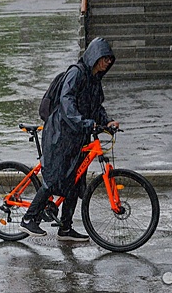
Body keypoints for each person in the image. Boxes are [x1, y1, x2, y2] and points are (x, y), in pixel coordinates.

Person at [19, 37, 120, 241]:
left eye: (110, 59)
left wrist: (106, 122)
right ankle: (29, 219)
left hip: (77, 134)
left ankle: (65, 228)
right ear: (94, 56)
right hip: (61, 132)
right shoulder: (76, 73)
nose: (107, 62)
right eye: (104, 58)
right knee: (55, 176)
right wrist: (82, 121)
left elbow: (96, 106)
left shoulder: (94, 80)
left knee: (74, 180)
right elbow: (67, 102)